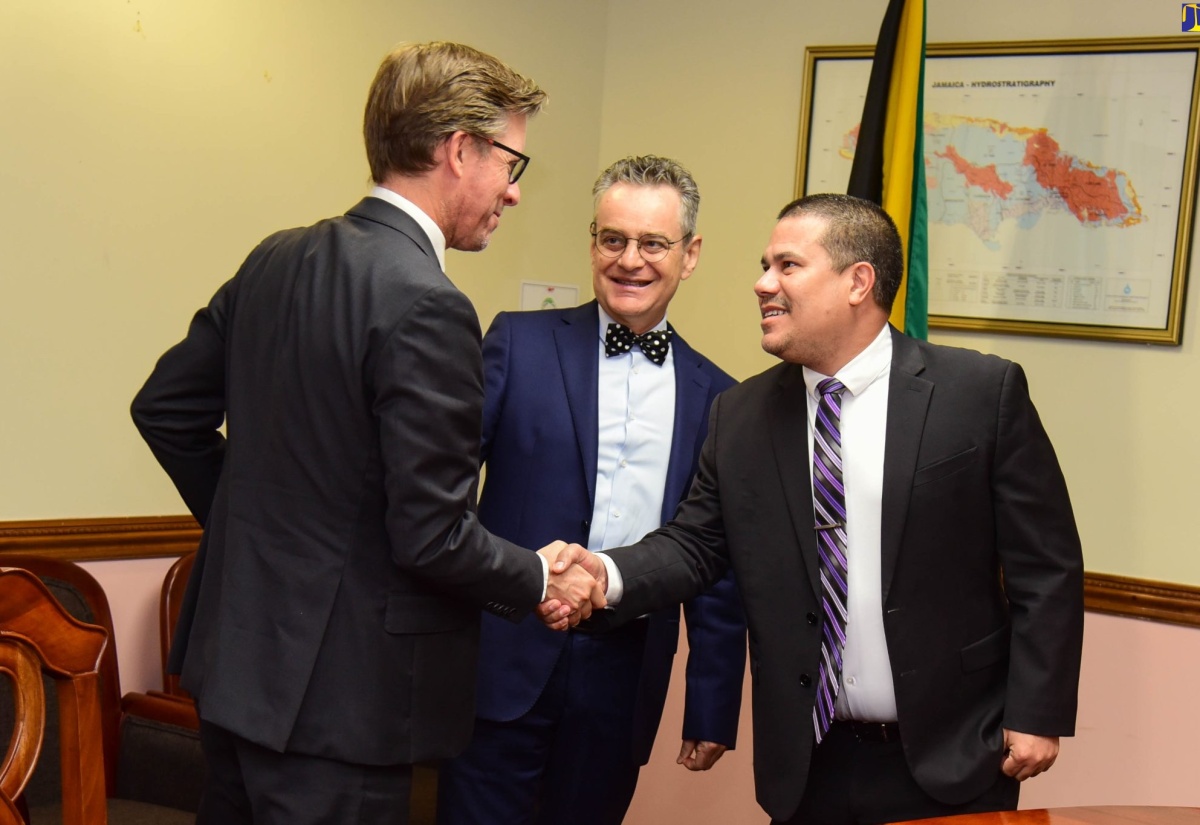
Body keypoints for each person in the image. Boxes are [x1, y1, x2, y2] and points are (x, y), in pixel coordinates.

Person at [131, 41, 601, 825]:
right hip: (344, 705)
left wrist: (261, 535)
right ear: (460, 150)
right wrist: (537, 576)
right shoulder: (429, 302)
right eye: (512, 166)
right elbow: (431, 533)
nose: (512, 195)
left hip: (235, 673)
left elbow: (165, 410)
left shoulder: (274, 259)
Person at [550, 193, 1085, 825]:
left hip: (955, 755)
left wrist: (1037, 712)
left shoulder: (979, 394)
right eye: (764, 265)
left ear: (858, 281)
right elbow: (694, 545)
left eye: (787, 266)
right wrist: (603, 574)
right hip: (808, 765)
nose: (762, 284)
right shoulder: (741, 416)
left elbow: (1044, 566)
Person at [436, 155, 746, 825]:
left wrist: (712, 702)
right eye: (613, 239)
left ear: (689, 255)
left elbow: (715, 559)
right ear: (593, 241)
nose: (629, 259)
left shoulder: (720, 397)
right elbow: (442, 492)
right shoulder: (517, 342)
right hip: (502, 655)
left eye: (653, 243)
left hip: (625, 673)